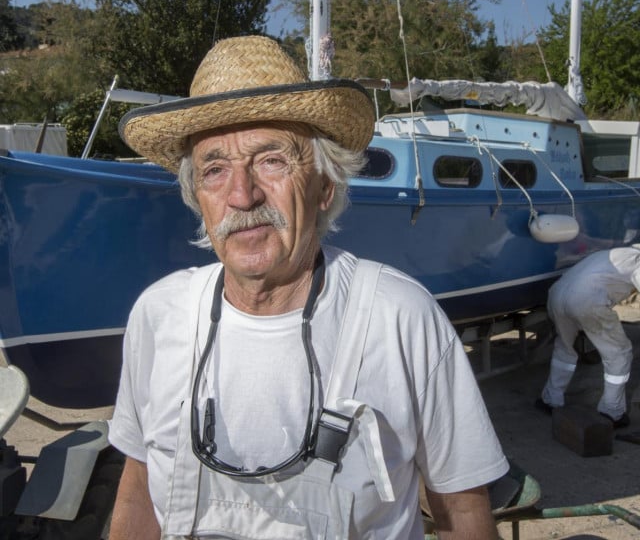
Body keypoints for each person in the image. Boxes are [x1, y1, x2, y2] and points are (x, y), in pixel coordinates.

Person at [108, 35, 509, 539]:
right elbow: (139, 484)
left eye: (271, 160)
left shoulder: (400, 316)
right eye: (214, 169)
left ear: (325, 185)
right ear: (197, 198)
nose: (242, 194)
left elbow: (462, 511)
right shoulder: (158, 313)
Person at [538, 246, 639, 428]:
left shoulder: (615, 253)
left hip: (556, 296)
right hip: (587, 301)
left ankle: (551, 400)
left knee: (565, 348)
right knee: (619, 354)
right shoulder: (637, 259)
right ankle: (612, 412)